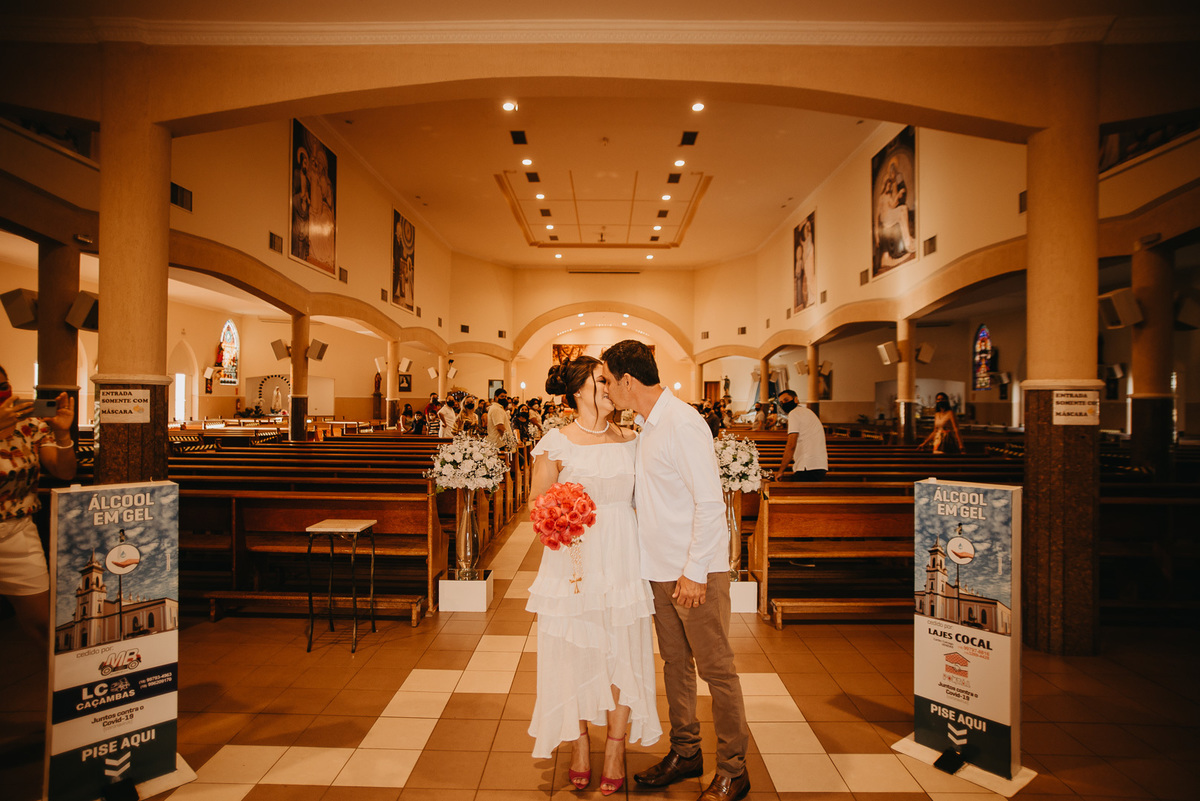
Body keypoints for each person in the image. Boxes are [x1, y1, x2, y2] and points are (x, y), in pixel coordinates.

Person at [601, 340, 751, 801]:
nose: (606, 389)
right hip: (659, 571)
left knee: (717, 670)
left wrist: (694, 572)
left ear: (628, 381)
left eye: (607, 380)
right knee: (675, 667)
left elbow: (710, 504)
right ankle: (686, 752)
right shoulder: (648, 425)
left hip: (694, 572)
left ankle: (734, 769)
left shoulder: (683, 423)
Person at [526, 356, 659, 796]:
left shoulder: (634, 440)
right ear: (579, 390)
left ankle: (617, 747)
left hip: (623, 557)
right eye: (601, 381)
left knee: (624, 646)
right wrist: (559, 517)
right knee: (576, 650)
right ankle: (581, 743)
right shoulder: (556, 443)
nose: (611, 387)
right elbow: (536, 503)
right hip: (576, 560)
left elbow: (648, 502)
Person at [0, 366, 77, 648]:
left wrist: (63, 435)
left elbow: (64, 472)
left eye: (3, 386)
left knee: (44, 623)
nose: (1, 393)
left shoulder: (29, 425)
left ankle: (58, 686)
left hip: (17, 533)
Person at [774, 389, 828, 481]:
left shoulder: (794, 413)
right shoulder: (808, 412)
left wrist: (781, 470)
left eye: (786, 400)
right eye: (781, 403)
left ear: (796, 399)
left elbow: (791, 445)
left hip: (807, 466)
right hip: (820, 465)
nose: (784, 404)